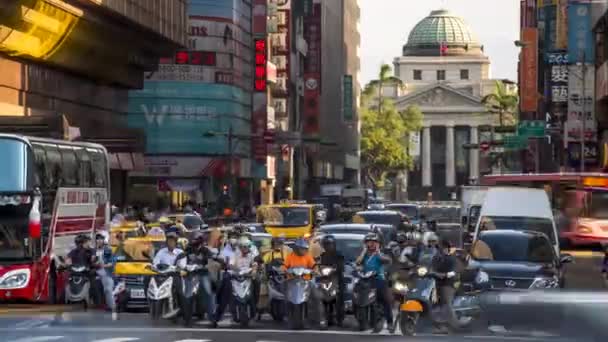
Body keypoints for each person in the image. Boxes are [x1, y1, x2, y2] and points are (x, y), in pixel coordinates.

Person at [211, 237, 258, 327]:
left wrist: (254, 272)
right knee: (225, 290)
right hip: (234, 277)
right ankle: (216, 317)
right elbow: (231, 265)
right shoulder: (235, 254)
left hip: (246, 278)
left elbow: (254, 264)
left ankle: (255, 308)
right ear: (240, 247)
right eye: (244, 247)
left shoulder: (252, 254)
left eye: (247, 247)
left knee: (257, 283)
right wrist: (237, 270)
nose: (246, 249)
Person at [355, 232, 394, 333]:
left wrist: (378, 252)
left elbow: (386, 260)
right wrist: (363, 252)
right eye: (369, 242)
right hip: (365, 280)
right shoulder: (364, 254)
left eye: (373, 242)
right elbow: (357, 262)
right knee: (356, 295)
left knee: (386, 300)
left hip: (378, 280)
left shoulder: (380, 253)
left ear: (378, 243)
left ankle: (390, 322)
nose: (371, 244)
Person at [283, 238, 323, 326]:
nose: (304, 250)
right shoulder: (290, 256)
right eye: (302, 249)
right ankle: (286, 315)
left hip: (306, 281)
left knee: (316, 297)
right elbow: (284, 266)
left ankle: (320, 319)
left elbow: (314, 265)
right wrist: (285, 271)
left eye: (305, 249)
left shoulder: (308, 256)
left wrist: (315, 270)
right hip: (292, 281)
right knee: (285, 296)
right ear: (296, 248)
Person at [185, 231, 216, 321]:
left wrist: (205, 266)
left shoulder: (205, 250)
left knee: (208, 292)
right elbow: (181, 258)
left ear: (200, 241)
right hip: (191, 275)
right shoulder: (188, 250)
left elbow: (210, 261)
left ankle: (212, 317)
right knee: (186, 293)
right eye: (193, 240)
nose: (194, 242)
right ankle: (185, 313)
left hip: (203, 275)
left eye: (195, 240)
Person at [431, 238, 459, 334]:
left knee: (446, 303)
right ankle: (438, 325)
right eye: (439, 247)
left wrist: (445, 275)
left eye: (442, 247)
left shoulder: (451, 259)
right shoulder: (436, 258)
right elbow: (429, 266)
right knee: (437, 305)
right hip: (434, 283)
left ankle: (455, 325)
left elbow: (455, 271)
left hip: (447, 284)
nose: (440, 249)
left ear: (447, 248)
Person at [152, 232, 187, 310]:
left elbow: (182, 265)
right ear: (166, 242)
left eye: (172, 241)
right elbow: (155, 263)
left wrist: (177, 269)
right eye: (169, 241)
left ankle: (184, 312)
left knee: (180, 293)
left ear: (175, 242)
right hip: (163, 276)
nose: (170, 243)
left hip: (175, 276)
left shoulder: (180, 252)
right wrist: (155, 267)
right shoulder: (161, 252)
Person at [318, 235, 345, 326]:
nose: (328, 246)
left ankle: (340, 319)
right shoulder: (322, 255)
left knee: (340, 297)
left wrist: (336, 269)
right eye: (326, 244)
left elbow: (341, 267)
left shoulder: (339, 255)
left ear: (334, 244)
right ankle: (323, 316)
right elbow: (318, 266)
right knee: (321, 296)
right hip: (325, 279)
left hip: (337, 279)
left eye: (330, 244)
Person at [94, 234, 115, 314]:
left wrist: (104, 265)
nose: (99, 241)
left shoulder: (107, 249)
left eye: (101, 239)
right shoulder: (95, 250)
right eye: (97, 239)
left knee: (108, 289)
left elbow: (111, 262)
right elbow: (93, 261)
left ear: (104, 240)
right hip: (97, 272)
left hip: (106, 272)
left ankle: (112, 307)